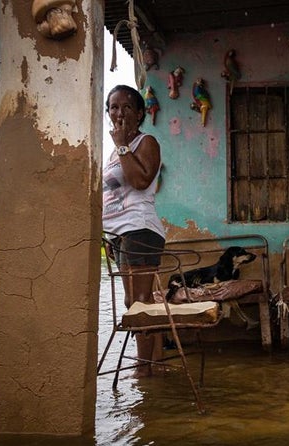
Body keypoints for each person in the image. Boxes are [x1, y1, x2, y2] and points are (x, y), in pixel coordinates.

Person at [102, 85, 166, 378]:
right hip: (121, 234)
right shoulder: (114, 153)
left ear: (139, 113)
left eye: (127, 107)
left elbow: (140, 181)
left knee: (138, 302)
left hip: (140, 228)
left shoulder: (145, 142)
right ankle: (154, 364)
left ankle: (143, 370)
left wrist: (123, 145)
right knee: (138, 302)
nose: (119, 113)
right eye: (113, 107)